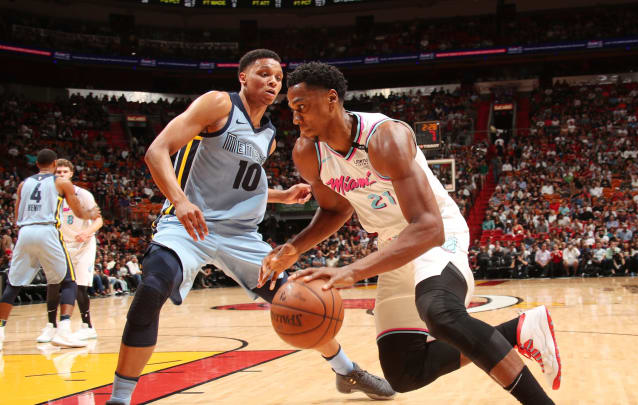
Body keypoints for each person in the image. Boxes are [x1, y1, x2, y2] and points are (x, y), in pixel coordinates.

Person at [259, 62, 560, 404]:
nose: (295, 119)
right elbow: (335, 209)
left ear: (331, 99)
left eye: (301, 108)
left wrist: (353, 270)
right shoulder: (307, 153)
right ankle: (518, 330)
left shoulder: (384, 136)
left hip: (435, 231)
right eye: (292, 111)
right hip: (391, 245)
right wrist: (293, 248)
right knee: (404, 372)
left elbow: (428, 227)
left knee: (441, 313)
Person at [106, 50, 393, 405]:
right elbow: (157, 151)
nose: (272, 82)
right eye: (263, 74)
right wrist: (180, 201)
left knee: (301, 302)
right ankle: (119, 399)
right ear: (242, 77)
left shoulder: (269, 135)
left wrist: (282, 196)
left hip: (240, 236)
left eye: (277, 78)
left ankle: (346, 370)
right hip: (188, 227)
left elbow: (238, 184)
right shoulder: (217, 104)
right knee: (151, 289)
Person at [0, 149, 100, 351]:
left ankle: (1, 329)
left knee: (13, 283)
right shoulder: (61, 182)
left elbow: (17, 213)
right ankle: (63, 331)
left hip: (25, 232)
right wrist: (89, 212)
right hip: (47, 230)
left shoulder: (23, 184)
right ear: (54, 164)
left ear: (36, 164)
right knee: (69, 281)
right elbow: (78, 211)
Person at [37, 159, 103, 344]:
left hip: (83, 245)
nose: (61, 175)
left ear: (71, 174)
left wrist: (87, 232)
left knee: (80, 286)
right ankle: (51, 326)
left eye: (65, 172)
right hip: (60, 245)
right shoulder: (48, 196)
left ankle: (87, 326)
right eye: (58, 172)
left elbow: (99, 221)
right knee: (53, 284)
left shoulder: (83, 195)